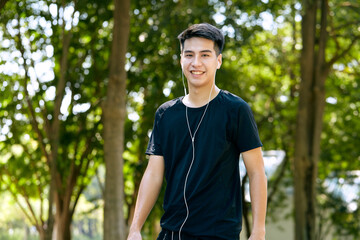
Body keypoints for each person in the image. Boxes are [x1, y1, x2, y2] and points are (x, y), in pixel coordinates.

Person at [127, 23, 267, 240]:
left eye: (205, 55)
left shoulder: (236, 110)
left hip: (219, 235)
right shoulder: (165, 114)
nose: (196, 63)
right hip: (171, 234)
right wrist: (135, 228)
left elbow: (257, 172)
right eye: (189, 55)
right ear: (181, 59)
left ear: (218, 61)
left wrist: (258, 231)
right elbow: (154, 173)